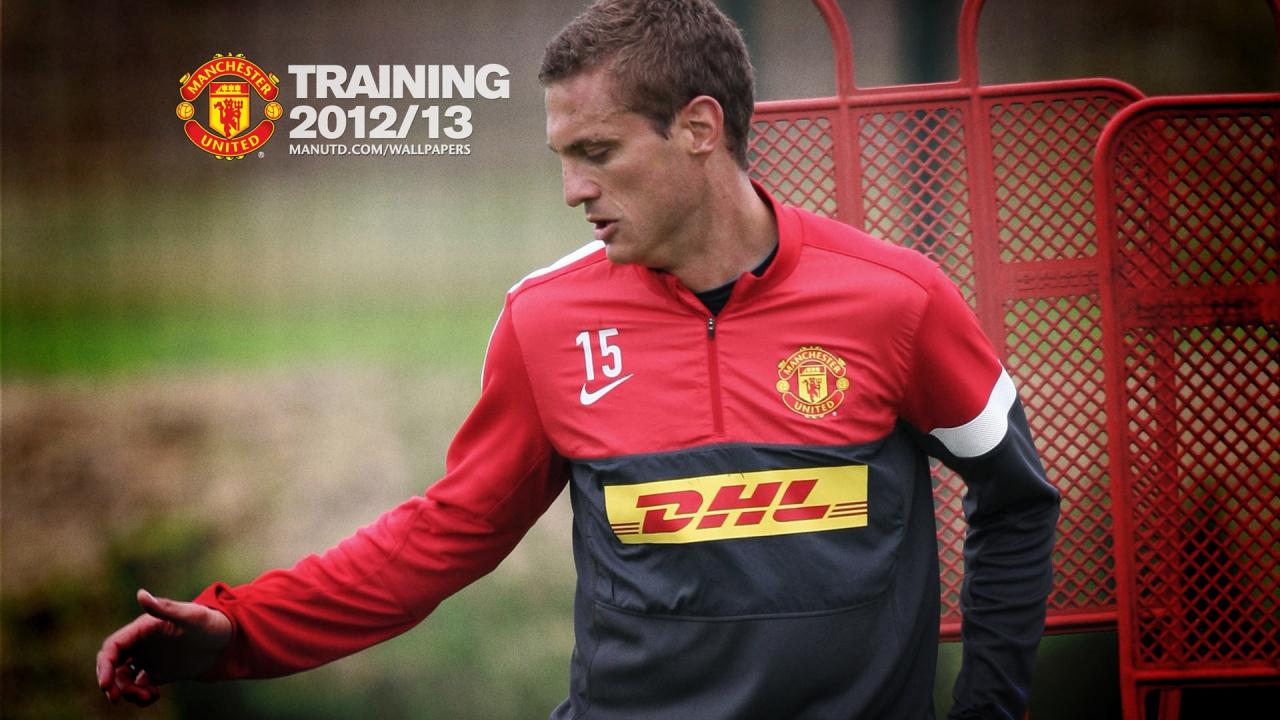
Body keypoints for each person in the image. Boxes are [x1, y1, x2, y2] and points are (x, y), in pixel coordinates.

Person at [97, 1, 1061, 717]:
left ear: (699, 128)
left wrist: (988, 707)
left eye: (596, 152)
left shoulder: (898, 299)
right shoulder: (545, 321)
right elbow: (444, 535)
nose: (571, 189)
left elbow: (1017, 501)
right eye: (562, 155)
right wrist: (243, 628)